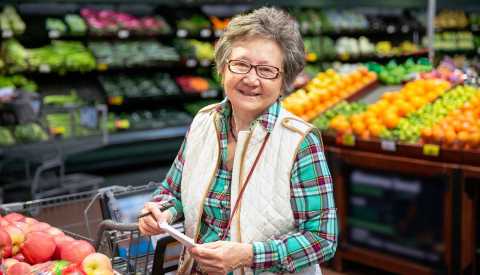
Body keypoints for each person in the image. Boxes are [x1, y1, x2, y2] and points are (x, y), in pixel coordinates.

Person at [139, 7, 337, 275]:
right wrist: (161, 212)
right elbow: (172, 192)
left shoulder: (299, 141)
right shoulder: (203, 122)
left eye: (267, 70)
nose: (251, 79)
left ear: (283, 81)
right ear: (223, 68)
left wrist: (249, 255)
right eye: (241, 64)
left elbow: (323, 238)